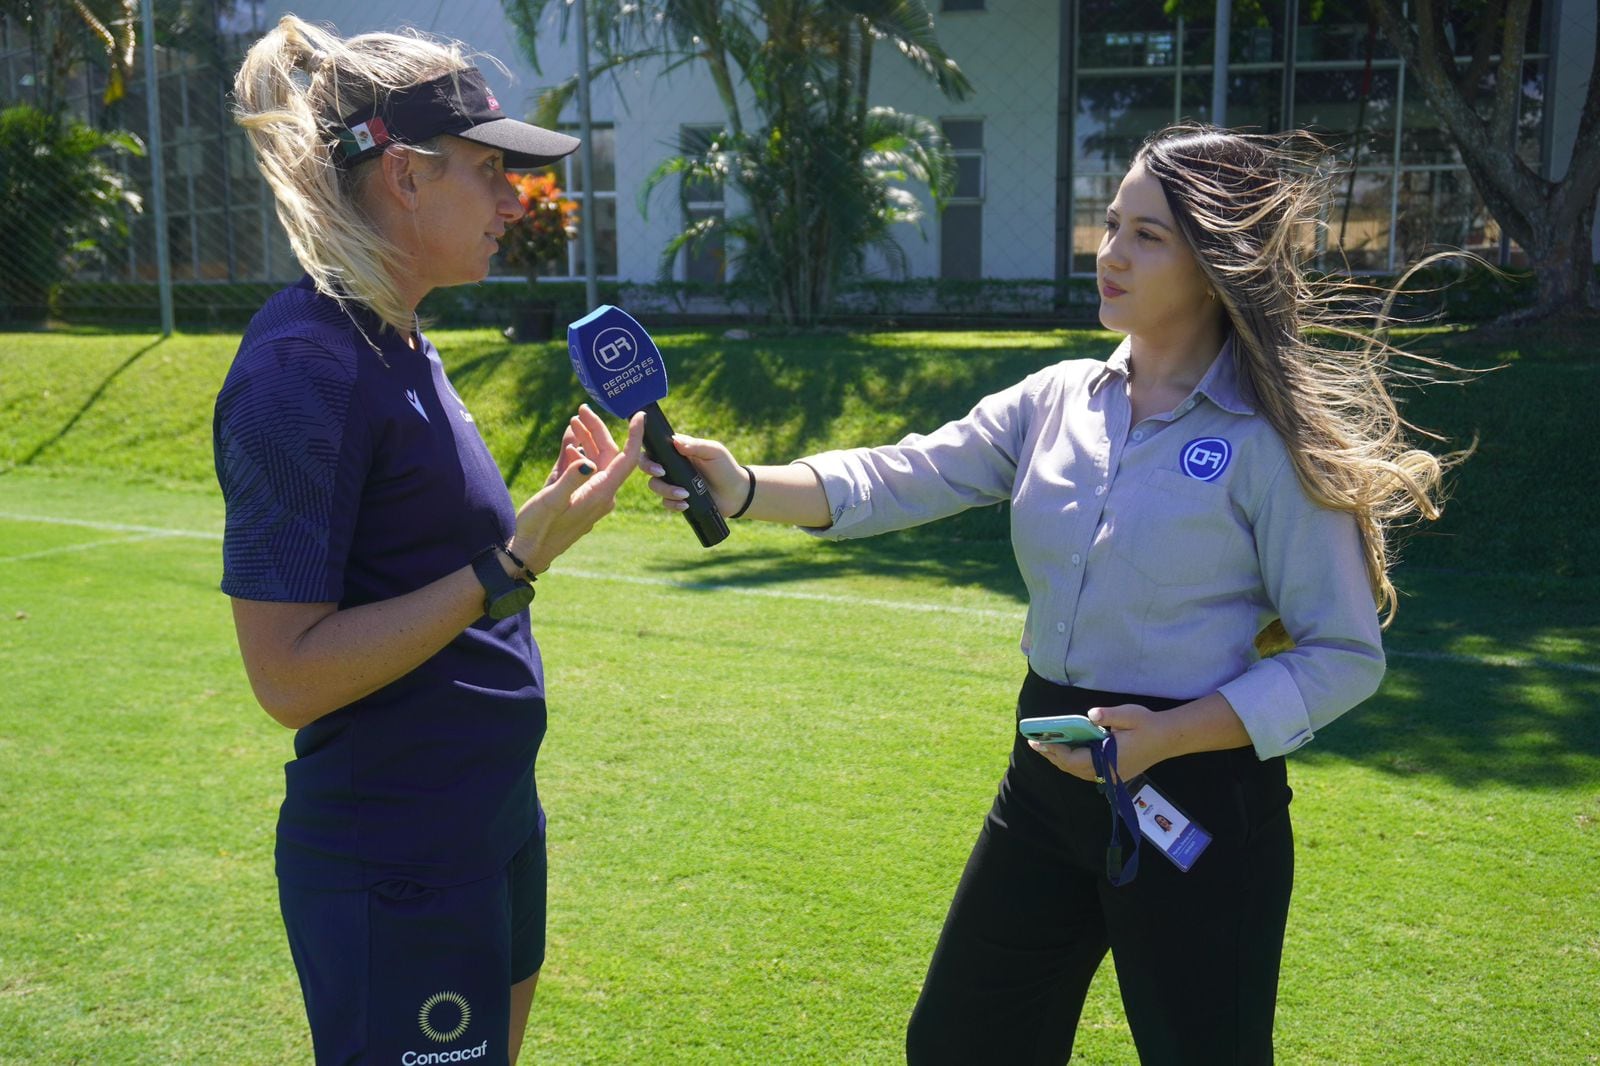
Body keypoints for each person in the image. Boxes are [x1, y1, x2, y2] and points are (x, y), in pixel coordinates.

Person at [645, 125, 1463, 1063]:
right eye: (1110, 223)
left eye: (1147, 236)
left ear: (1213, 263)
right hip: (1047, 777)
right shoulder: (1057, 399)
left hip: (1198, 791)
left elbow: (1343, 656)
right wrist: (744, 485)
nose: (1109, 252)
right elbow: (901, 474)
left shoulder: (1267, 444)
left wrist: (1168, 736)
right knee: (962, 1044)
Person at [215, 17, 643, 1064]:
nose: (517, 201)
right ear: (405, 177)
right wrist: (510, 561)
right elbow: (288, 677)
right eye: (493, 173)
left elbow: (431, 568)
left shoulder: (398, 334)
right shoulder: (299, 370)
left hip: (484, 822)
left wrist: (535, 526)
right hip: (395, 857)